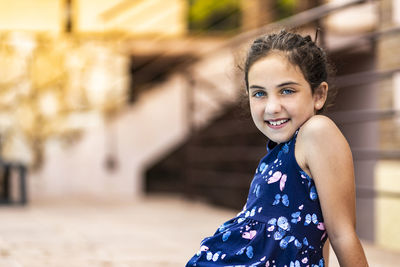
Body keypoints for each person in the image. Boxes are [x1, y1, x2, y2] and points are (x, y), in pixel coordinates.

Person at [186, 30, 369, 267]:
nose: (272, 107)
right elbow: (315, 234)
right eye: (260, 93)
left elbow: (341, 233)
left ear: (319, 94)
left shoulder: (317, 132)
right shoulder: (278, 153)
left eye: (287, 91)